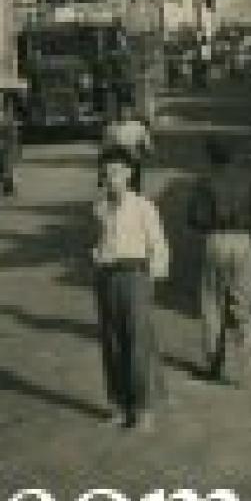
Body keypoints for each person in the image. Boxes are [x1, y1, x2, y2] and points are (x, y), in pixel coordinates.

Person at [90, 145, 171, 431]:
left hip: (135, 276)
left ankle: (143, 408)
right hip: (107, 278)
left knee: (138, 342)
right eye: (106, 171)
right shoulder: (100, 207)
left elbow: (158, 244)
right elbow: (99, 243)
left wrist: (151, 280)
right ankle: (119, 405)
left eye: (116, 171)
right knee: (111, 342)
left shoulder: (143, 206)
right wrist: (98, 257)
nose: (110, 177)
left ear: (129, 173)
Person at [186, 137, 251, 384]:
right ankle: (247, 369)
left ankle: (214, 364)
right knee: (245, 302)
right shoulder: (249, 179)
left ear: (210, 156)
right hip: (243, 240)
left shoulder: (206, 181)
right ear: (234, 154)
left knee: (212, 302)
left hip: (217, 239)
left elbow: (195, 218)